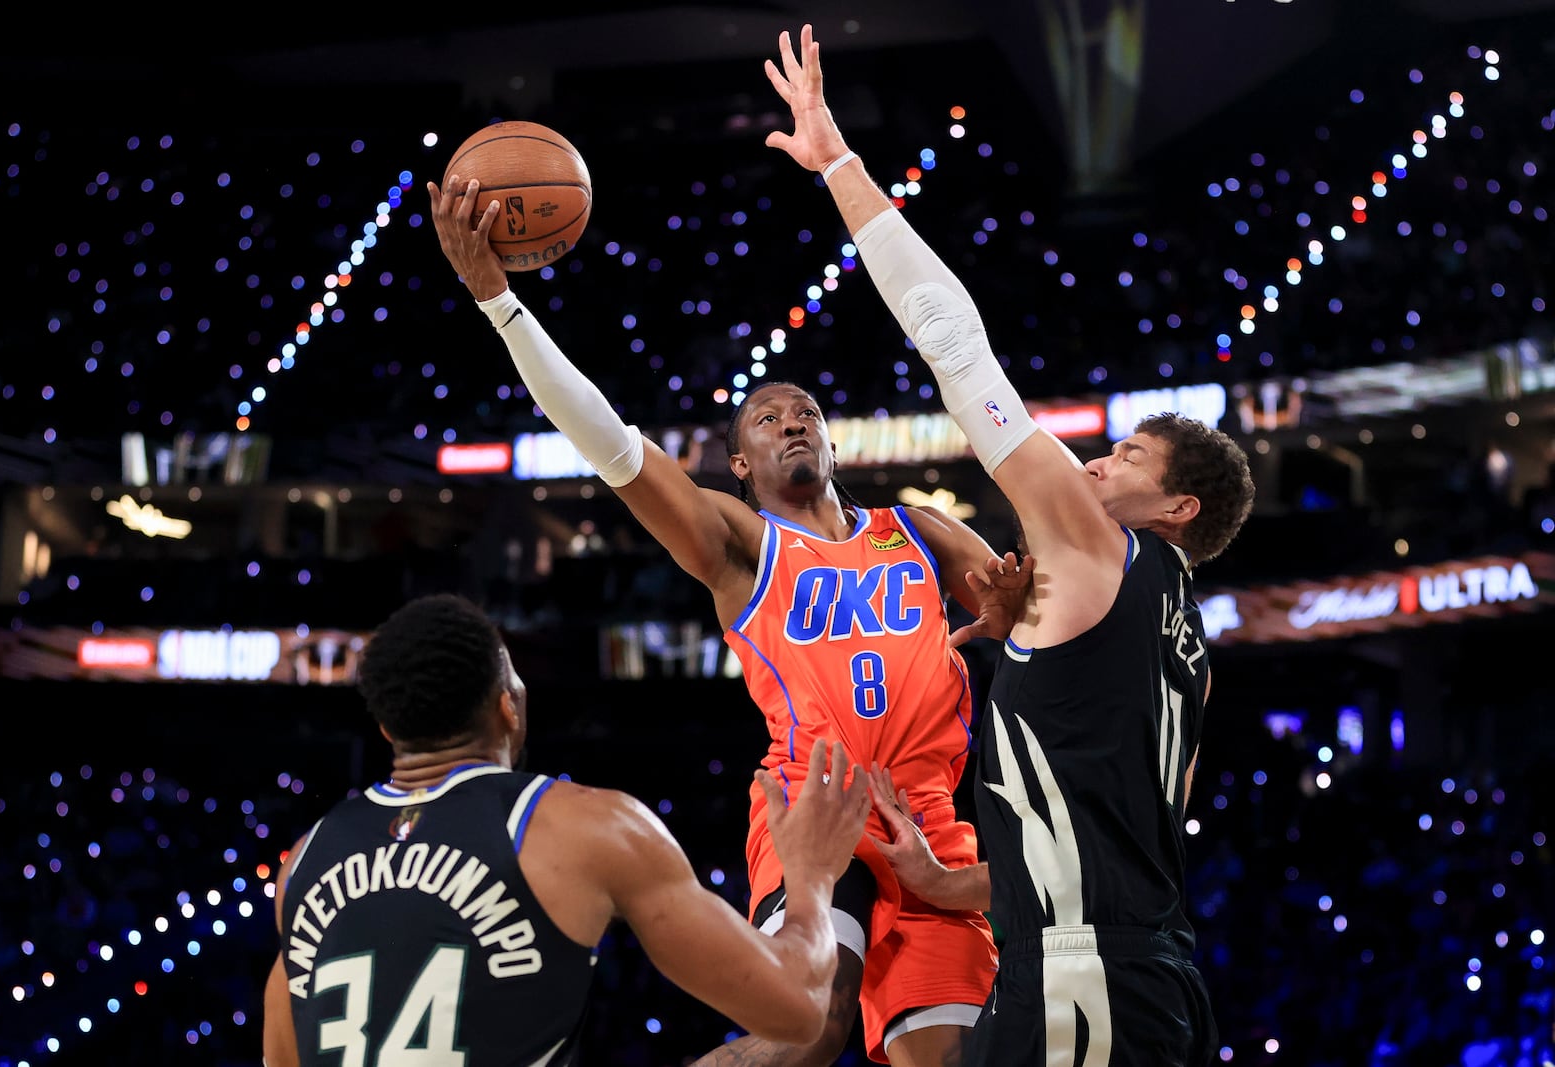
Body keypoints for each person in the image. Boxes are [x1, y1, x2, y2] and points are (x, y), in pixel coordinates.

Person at [429, 175, 1036, 1067]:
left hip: (935, 817)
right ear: (740, 465)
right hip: (817, 800)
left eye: (807, 415)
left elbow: (1027, 615)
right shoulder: (739, 545)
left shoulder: (916, 527)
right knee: (812, 1024)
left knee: (944, 1057)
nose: (792, 422)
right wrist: (499, 301)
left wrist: (1016, 609)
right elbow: (612, 445)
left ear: (832, 444)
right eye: (767, 419)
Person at [761, 24, 1257, 1066]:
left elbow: (953, 343)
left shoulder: (1095, 546)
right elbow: (1105, 844)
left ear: (1173, 510)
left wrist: (839, 166)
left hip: (1086, 976)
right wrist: (951, 886)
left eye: (1122, 457)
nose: (1089, 468)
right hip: (1123, 965)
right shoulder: (1184, 647)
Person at [261, 592, 872, 1067]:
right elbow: (798, 1011)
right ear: (508, 704)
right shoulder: (582, 825)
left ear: (389, 731)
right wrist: (812, 875)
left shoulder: (305, 862)